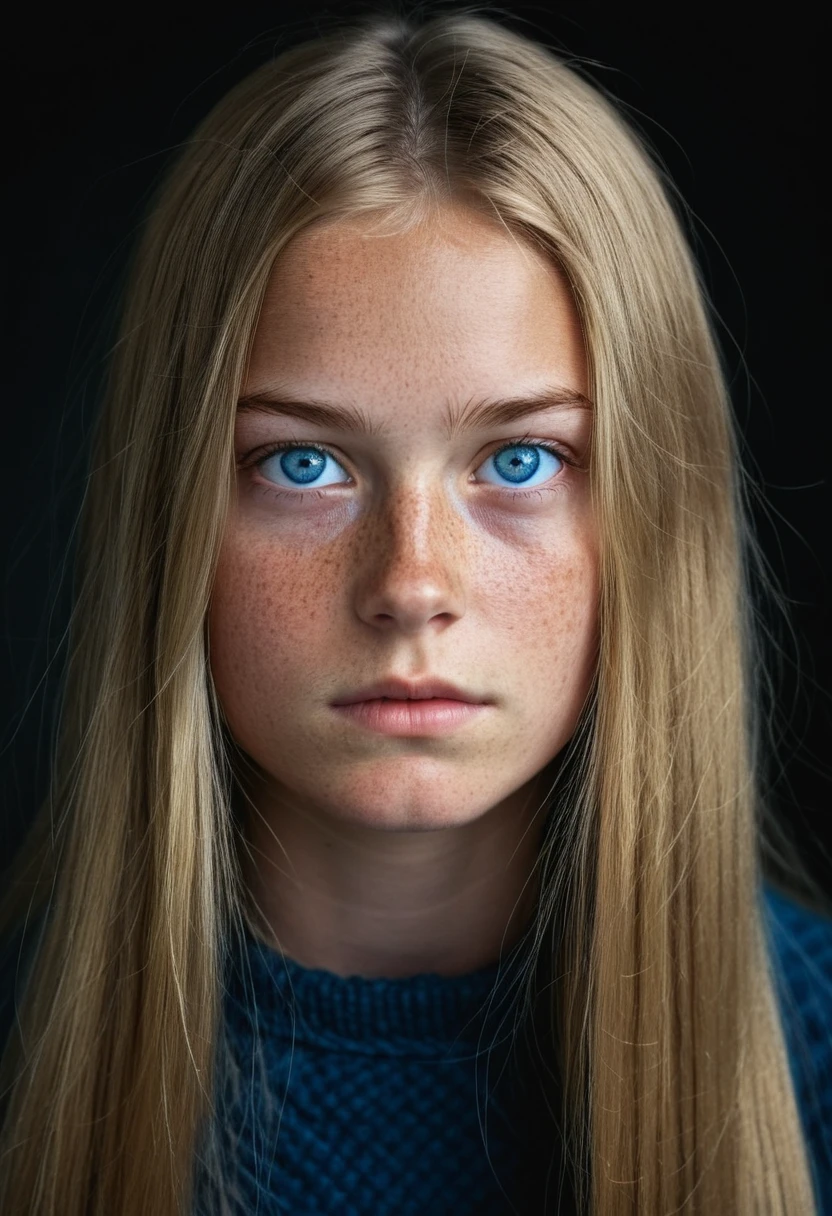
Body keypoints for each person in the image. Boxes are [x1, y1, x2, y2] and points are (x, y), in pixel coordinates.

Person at [1, 4, 830, 1214]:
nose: (410, 585)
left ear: (655, 517)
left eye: (521, 460)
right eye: (302, 464)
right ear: (172, 516)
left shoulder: (809, 1058)